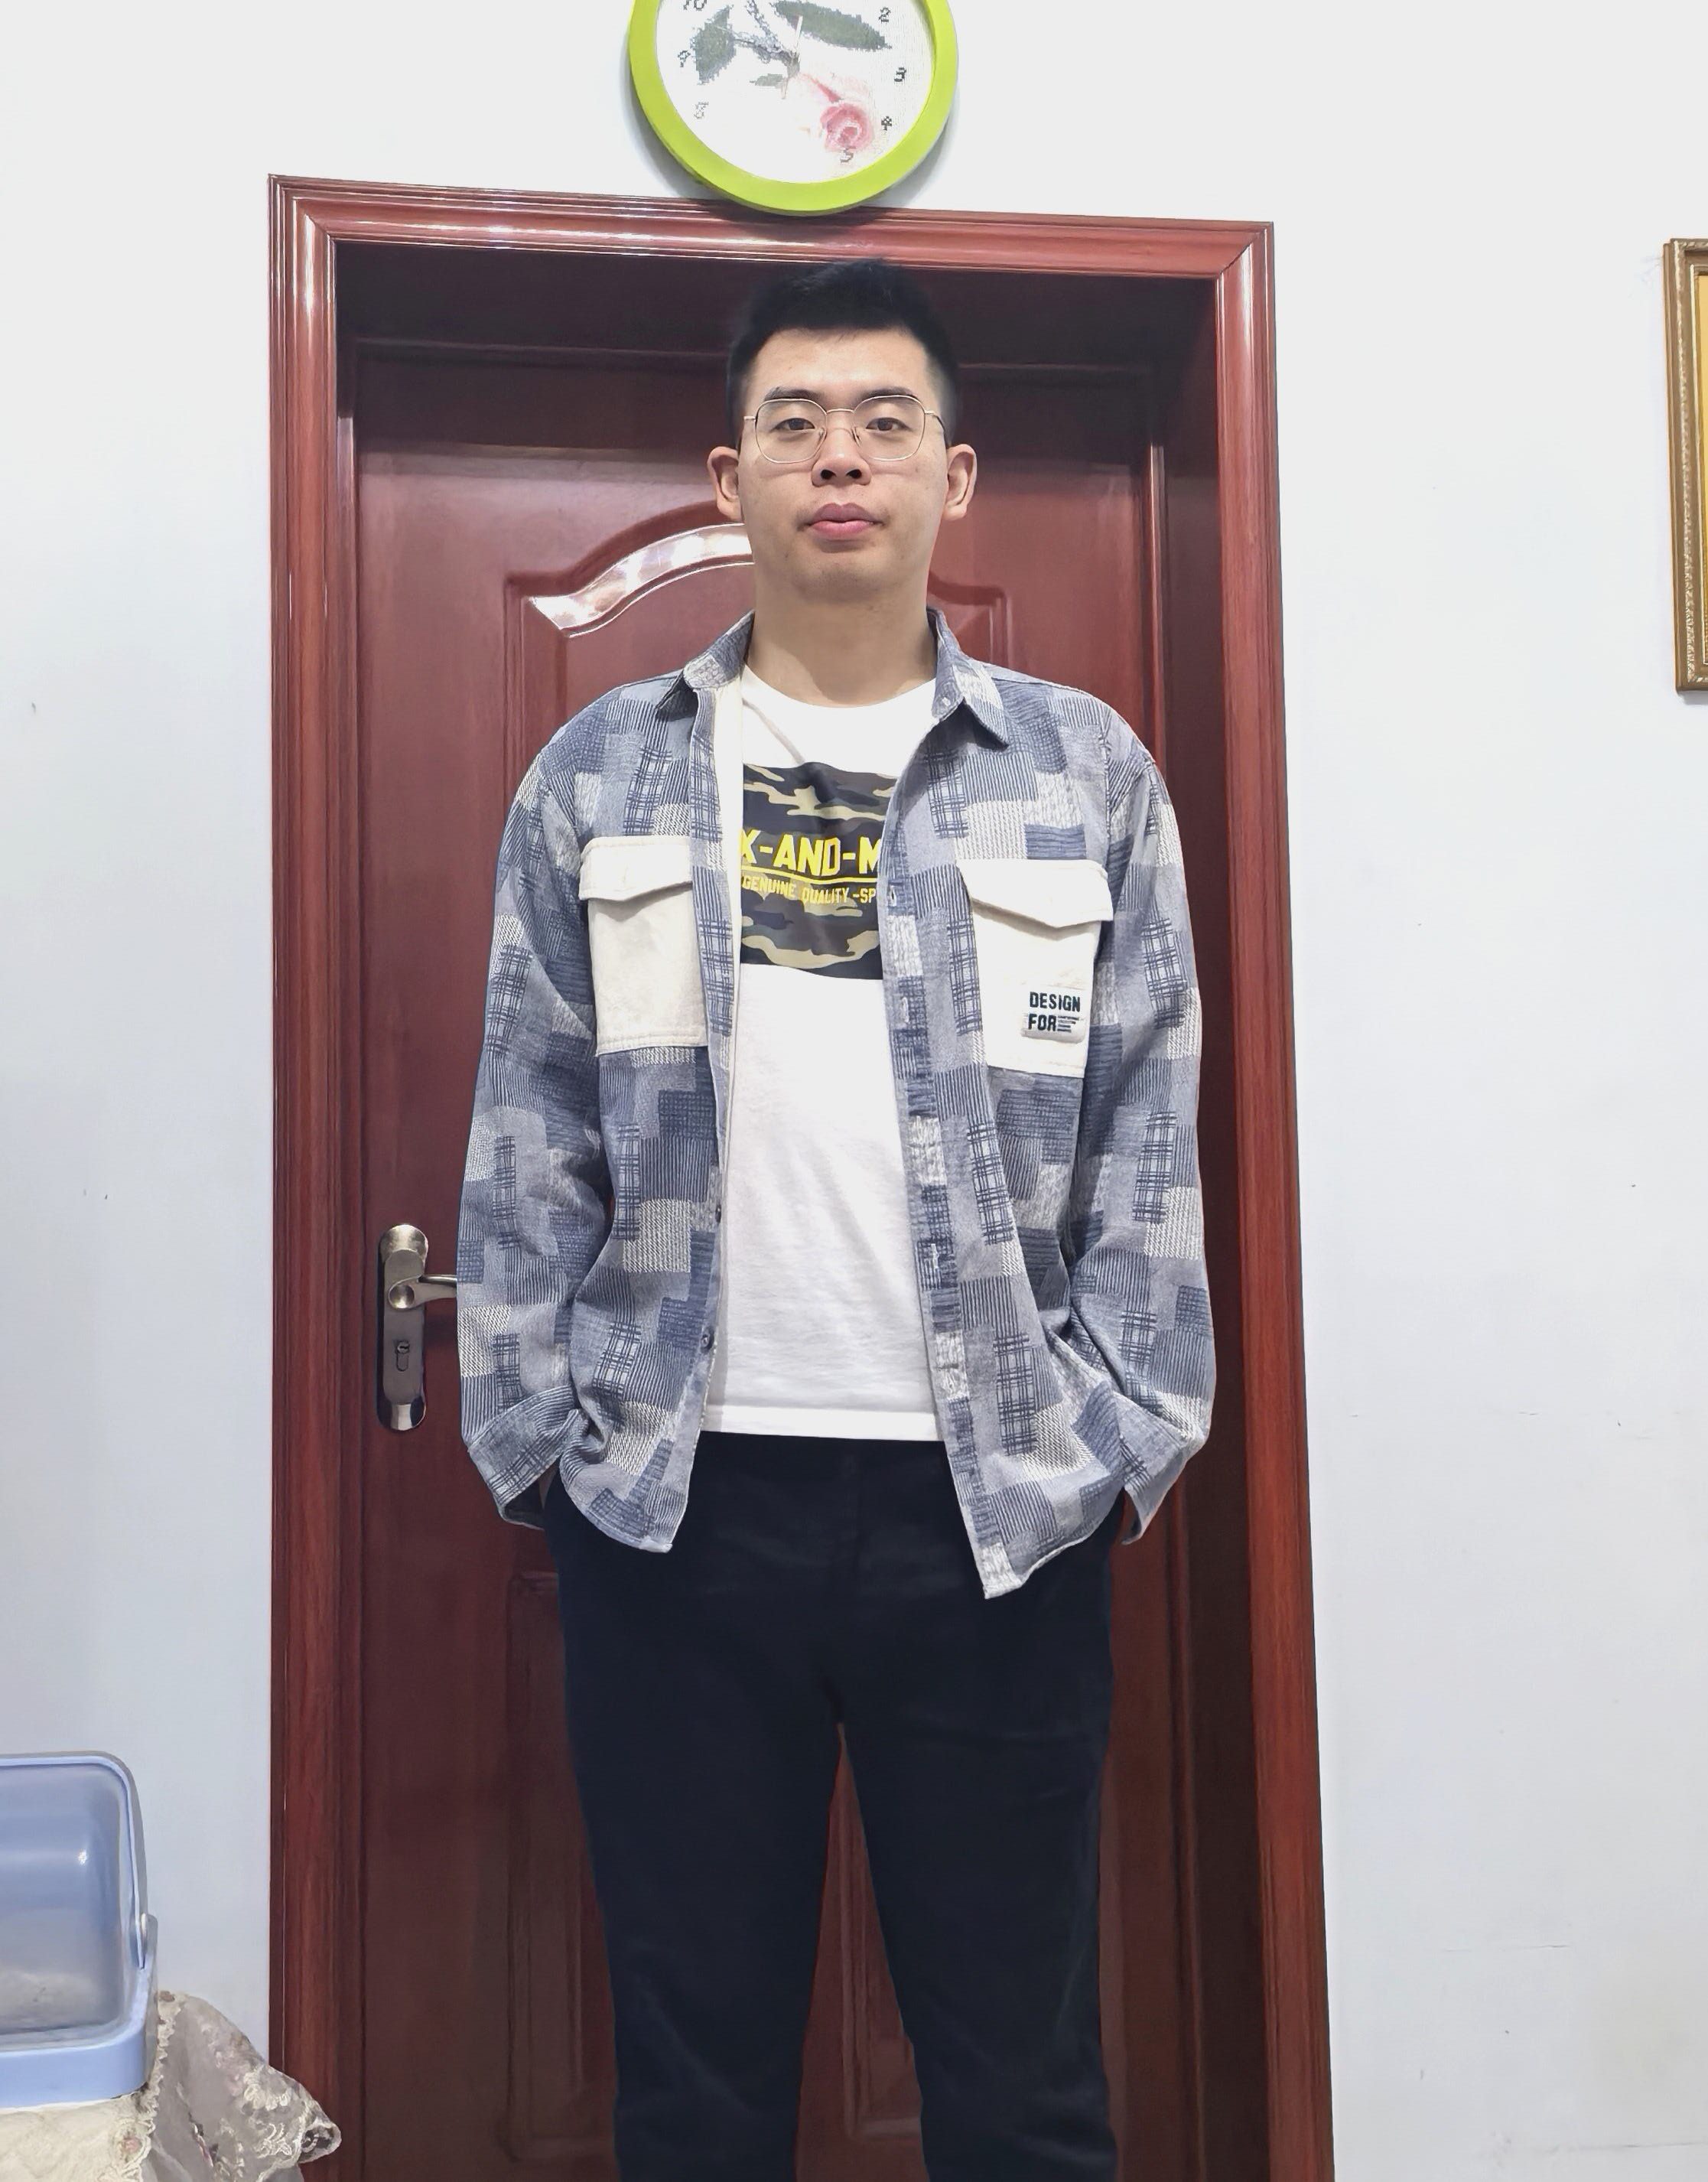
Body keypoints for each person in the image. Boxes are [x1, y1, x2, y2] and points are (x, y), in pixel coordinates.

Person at [455, 257, 1215, 2182]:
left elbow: (1147, 1123)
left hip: (999, 1510)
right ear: (732, 482)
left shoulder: (1084, 773)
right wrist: (538, 1434)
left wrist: (1122, 1435)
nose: (840, 457)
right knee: (694, 2091)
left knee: (1023, 2086)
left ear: (953, 476)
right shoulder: (598, 772)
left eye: (885, 421)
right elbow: (528, 1115)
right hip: (676, 1512)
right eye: (792, 424)